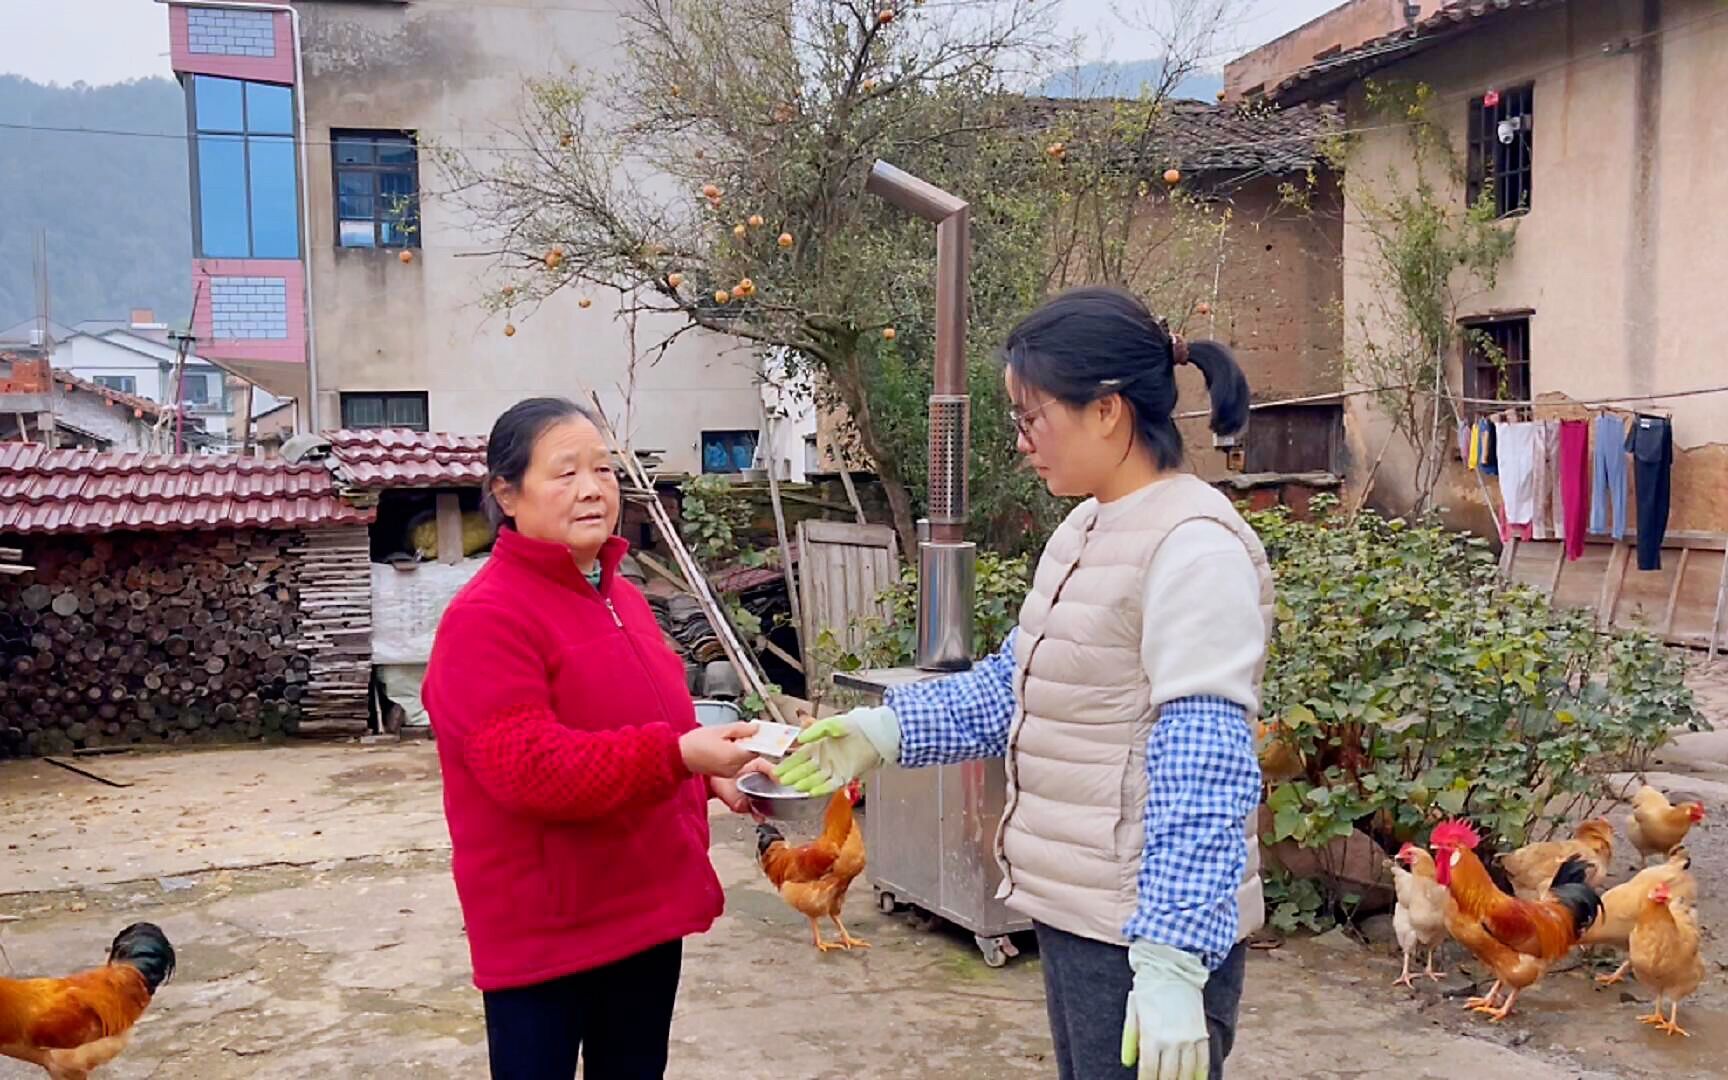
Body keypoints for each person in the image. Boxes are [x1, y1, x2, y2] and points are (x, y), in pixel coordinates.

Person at [778, 287, 1272, 1080]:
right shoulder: (1090, 526)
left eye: (1031, 417)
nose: (1022, 441)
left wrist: (1177, 957)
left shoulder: (1194, 549)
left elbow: (1205, 760)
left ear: (1107, 411)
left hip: (1145, 937)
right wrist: (888, 729)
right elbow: (1021, 679)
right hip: (1083, 915)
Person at [423, 397, 763, 1080]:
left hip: (643, 910)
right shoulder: (486, 619)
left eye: (604, 470)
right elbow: (528, 768)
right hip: (548, 931)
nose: (592, 489)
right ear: (506, 493)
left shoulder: (623, 597)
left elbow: (647, 722)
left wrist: (707, 771)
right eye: (565, 472)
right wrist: (677, 756)